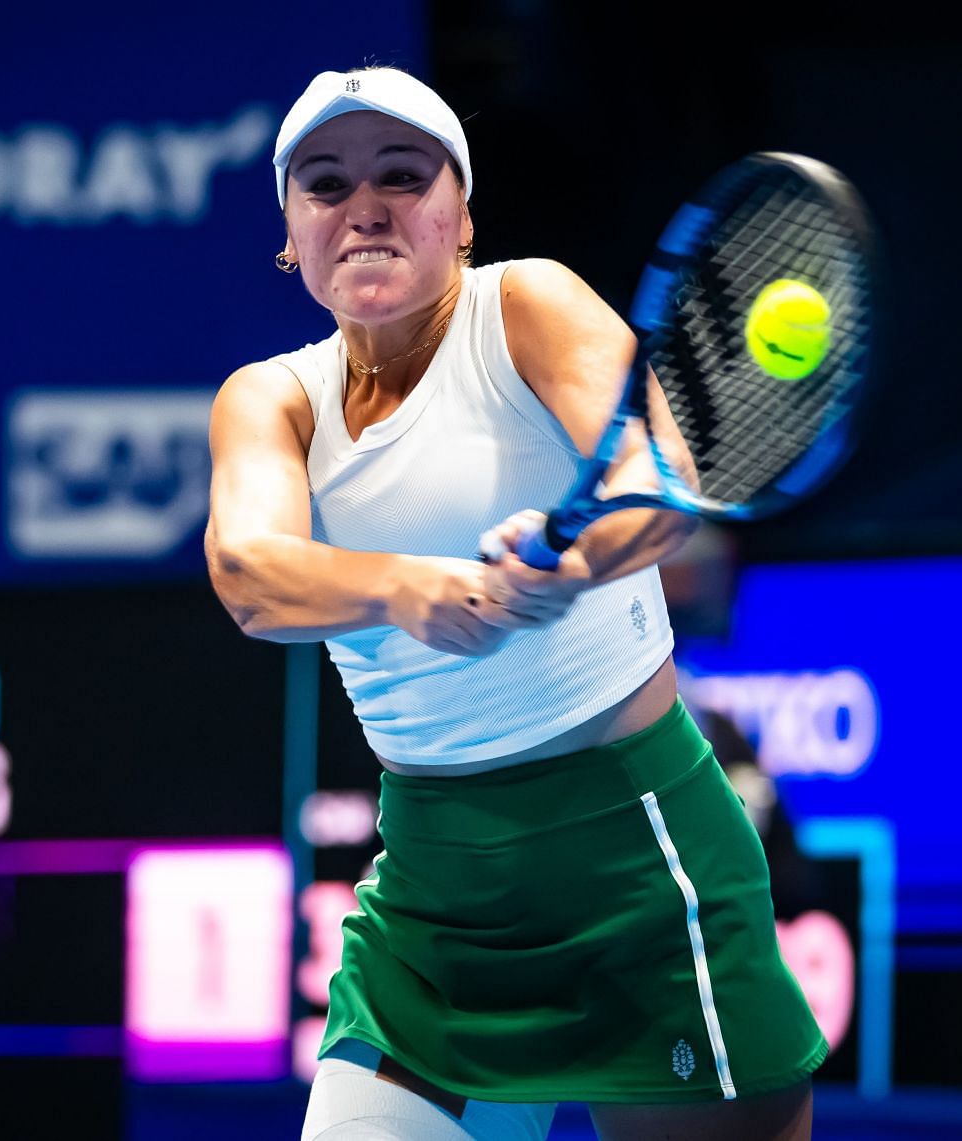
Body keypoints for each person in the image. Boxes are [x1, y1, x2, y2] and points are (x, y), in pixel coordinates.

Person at [207, 65, 826, 1140]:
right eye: (326, 183)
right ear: (290, 236)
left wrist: (573, 564)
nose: (365, 204)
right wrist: (408, 584)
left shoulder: (526, 304)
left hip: (639, 865)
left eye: (403, 175)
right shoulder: (272, 399)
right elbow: (250, 573)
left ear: (463, 219)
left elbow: (654, 481)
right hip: (437, 899)